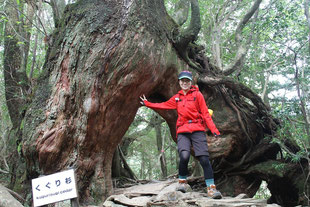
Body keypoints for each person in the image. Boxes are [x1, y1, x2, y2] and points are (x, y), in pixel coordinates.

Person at [139, 70, 222, 199]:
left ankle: (211, 188)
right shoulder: (177, 98)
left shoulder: (197, 95)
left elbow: (205, 113)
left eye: (187, 81)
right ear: (179, 82)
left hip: (197, 129)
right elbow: (164, 105)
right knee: (184, 156)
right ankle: (182, 182)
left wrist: (214, 130)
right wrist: (148, 104)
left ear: (190, 82)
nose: (185, 83)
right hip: (183, 130)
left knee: (204, 159)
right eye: (182, 80)